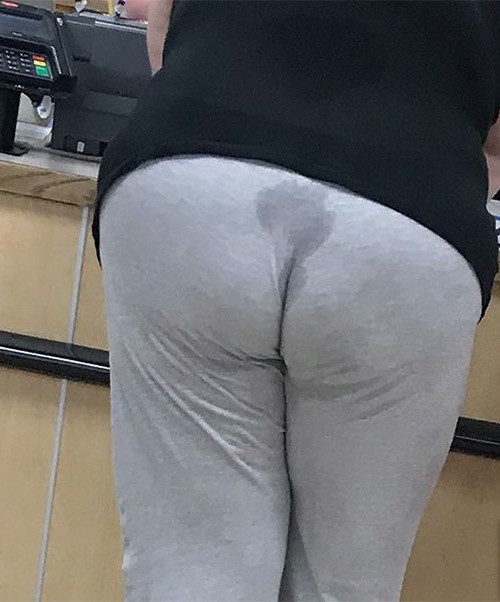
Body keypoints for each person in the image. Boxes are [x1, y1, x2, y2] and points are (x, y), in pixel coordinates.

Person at [94, 2, 500, 600]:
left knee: (192, 565)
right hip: (406, 207)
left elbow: (162, 30)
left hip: (194, 168)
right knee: (343, 583)